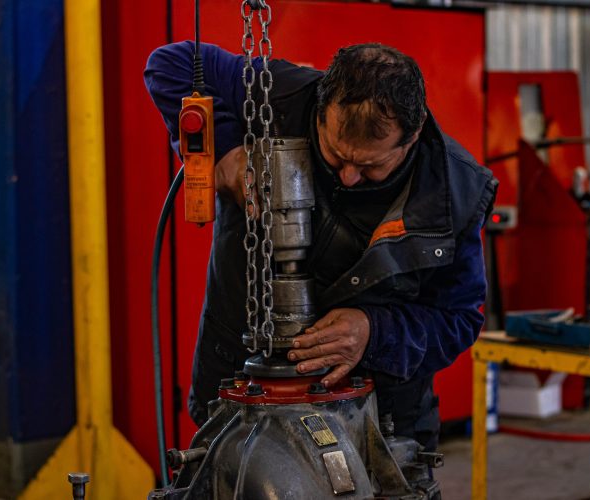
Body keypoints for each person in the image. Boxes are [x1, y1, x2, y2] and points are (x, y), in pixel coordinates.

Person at [145, 41, 497, 451]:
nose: (348, 177)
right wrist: (225, 151)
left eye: (369, 166)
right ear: (322, 103)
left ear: (412, 136)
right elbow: (169, 64)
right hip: (242, 388)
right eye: (334, 155)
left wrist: (374, 331)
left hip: (381, 418)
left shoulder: (455, 193)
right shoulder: (283, 95)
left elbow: (458, 318)